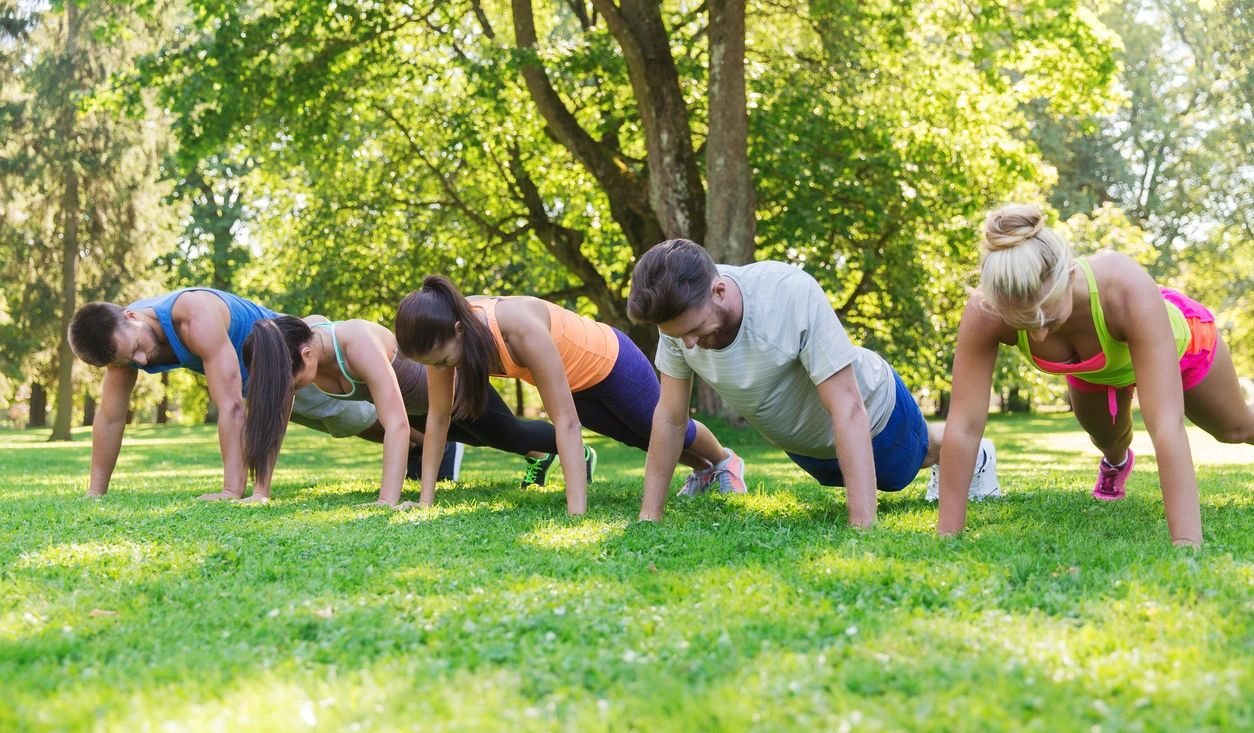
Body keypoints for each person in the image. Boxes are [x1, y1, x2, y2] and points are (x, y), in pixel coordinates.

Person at [938, 204, 1253, 547]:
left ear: (1069, 275)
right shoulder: (989, 310)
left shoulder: (1124, 287)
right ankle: (1116, 464)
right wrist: (947, 536)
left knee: (1235, 430)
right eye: (1026, 324)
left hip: (1183, 347)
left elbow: (1166, 424)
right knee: (1108, 439)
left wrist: (1187, 543)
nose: (1039, 337)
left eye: (1049, 320)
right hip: (1097, 370)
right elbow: (965, 425)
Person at [627, 238, 999, 524]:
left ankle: (976, 454)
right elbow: (671, 418)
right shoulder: (681, 319)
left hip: (873, 415)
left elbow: (848, 409)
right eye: (679, 337)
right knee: (857, 474)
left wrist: (861, 529)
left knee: (912, 461)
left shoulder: (787, 292)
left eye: (693, 331)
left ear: (719, 292)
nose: (688, 344)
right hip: (809, 447)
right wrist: (649, 515)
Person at [394, 275, 744, 515]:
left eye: (442, 360)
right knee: (640, 440)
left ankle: (725, 461)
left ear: (458, 330)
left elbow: (565, 424)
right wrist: (426, 502)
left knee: (659, 429)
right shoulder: (441, 340)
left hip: (610, 362)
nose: (441, 368)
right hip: (577, 384)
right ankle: (704, 471)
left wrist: (576, 513)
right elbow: (438, 419)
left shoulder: (516, 328)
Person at [65, 287, 454, 500]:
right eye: (127, 359)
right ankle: (431, 446)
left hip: (287, 366)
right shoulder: (120, 346)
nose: (140, 359)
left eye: (135, 347)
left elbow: (232, 406)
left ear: (131, 315)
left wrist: (231, 490)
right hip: (259, 382)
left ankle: (440, 441)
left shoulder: (193, 315)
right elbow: (111, 417)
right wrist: (95, 493)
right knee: (347, 425)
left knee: (358, 417)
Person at [242, 314, 561, 505]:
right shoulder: (293, 346)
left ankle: (571, 445)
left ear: (308, 354)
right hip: (419, 410)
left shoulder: (355, 342)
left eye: (293, 383)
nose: (292, 390)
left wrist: (386, 500)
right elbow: (275, 420)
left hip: (452, 387)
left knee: (510, 435)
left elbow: (395, 425)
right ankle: (543, 454)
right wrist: (261, 492)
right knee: (479, 440)